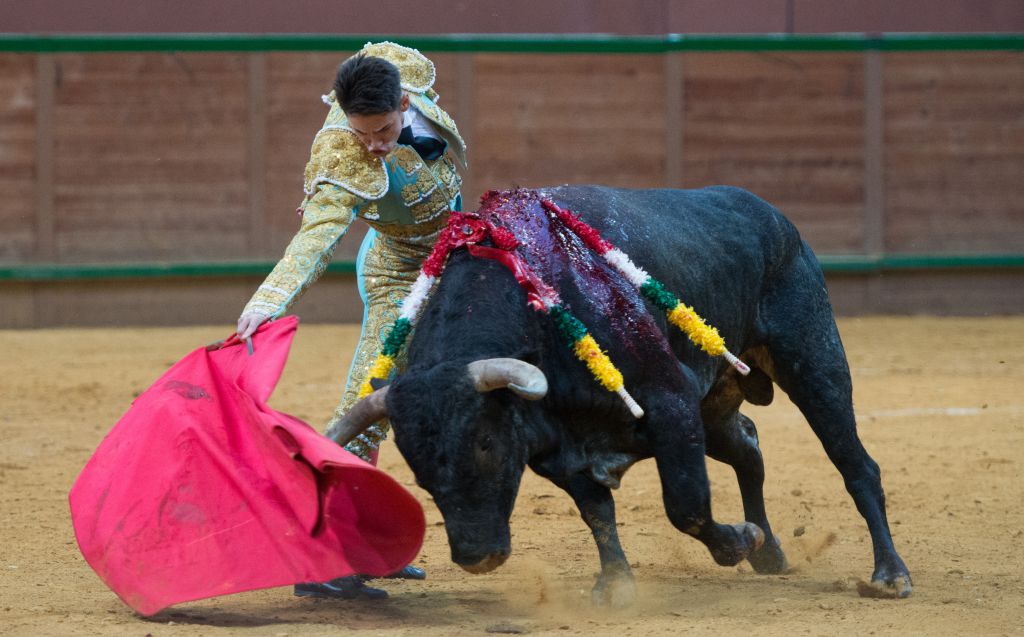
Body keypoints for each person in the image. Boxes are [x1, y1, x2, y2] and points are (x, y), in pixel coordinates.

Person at [235, 41, 467, 599]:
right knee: (370, 399)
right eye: (361, 132)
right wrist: (270, 300)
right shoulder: (342, 153)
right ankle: (325, 556)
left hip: (460, 255)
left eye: (383, 131)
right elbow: (316, 237)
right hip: (399, 273)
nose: (373, 146)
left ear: (405, 100)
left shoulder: (398, 67)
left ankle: (365, 545)